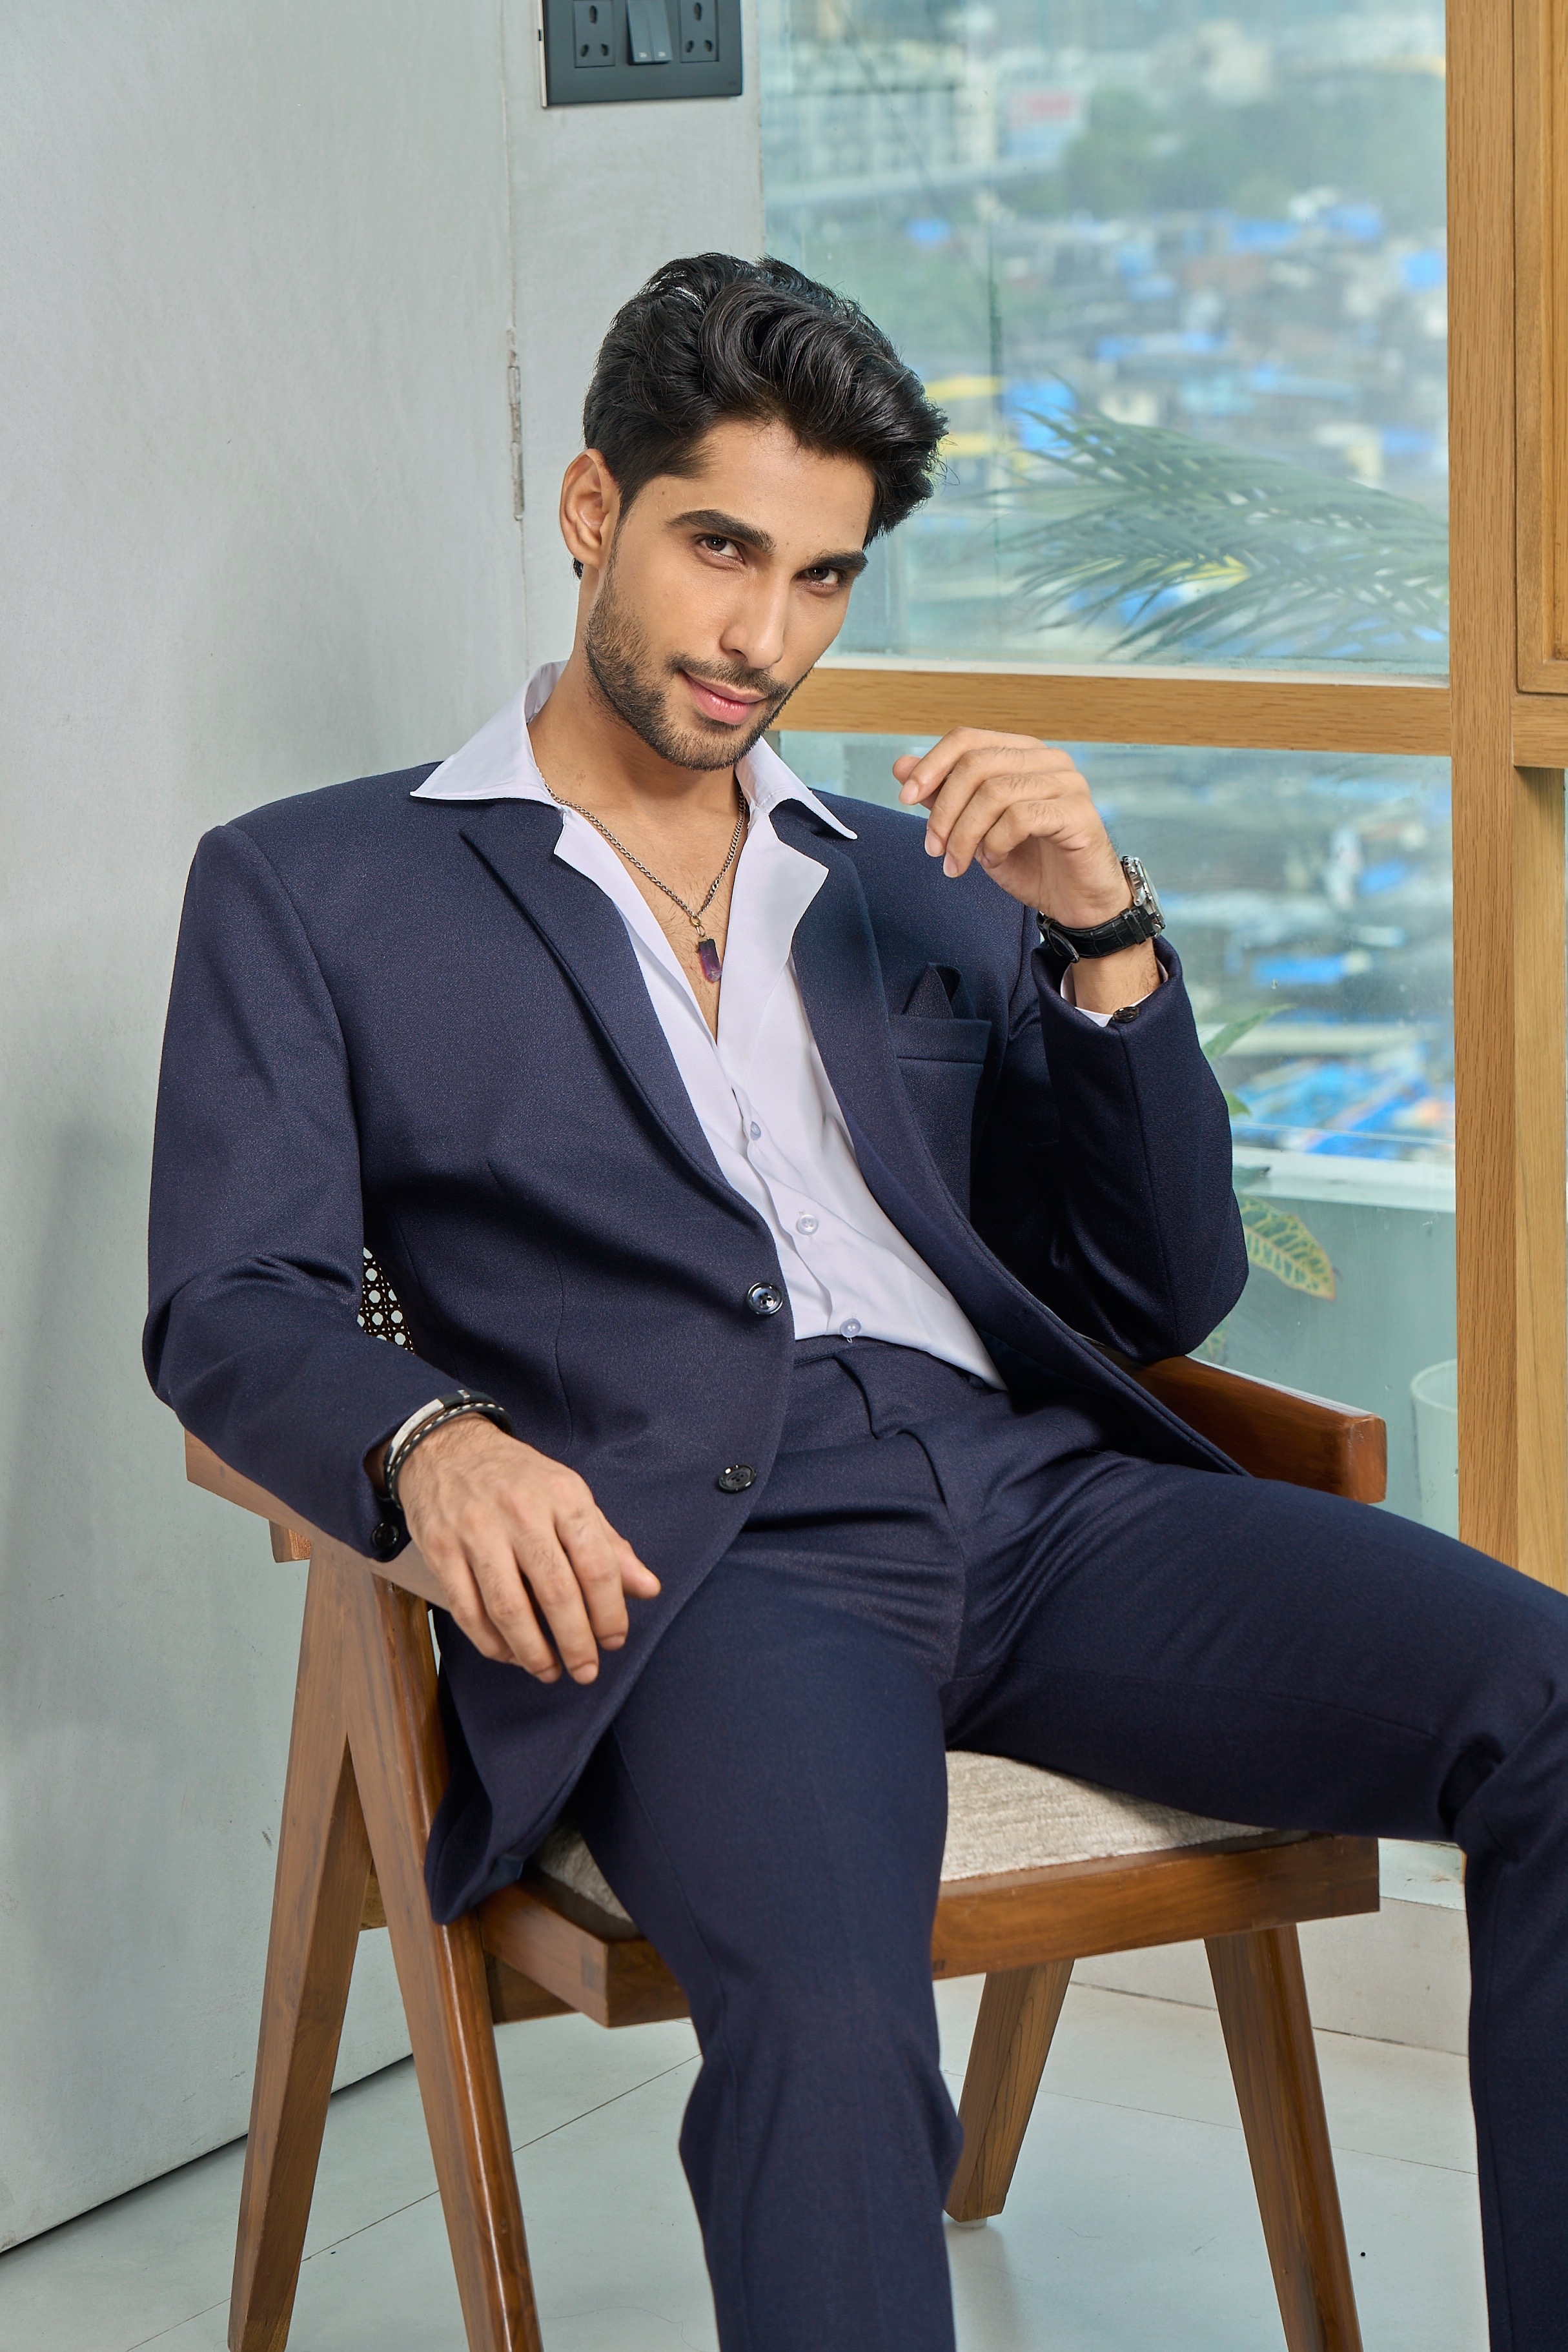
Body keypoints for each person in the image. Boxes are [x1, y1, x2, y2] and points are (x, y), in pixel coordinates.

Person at [146, 252, 1568, 2352]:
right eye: (721, 548)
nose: (764, 638)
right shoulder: (322, 886)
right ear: (592, 508)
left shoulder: (915, 878)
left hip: (1044, 1505)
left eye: (823, 578)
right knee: (825, 2020)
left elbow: (1157, 1285)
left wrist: (1104, 938)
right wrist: (428, 1443)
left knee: (1552, 1697)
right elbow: (229, 1296)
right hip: (711, 1564)